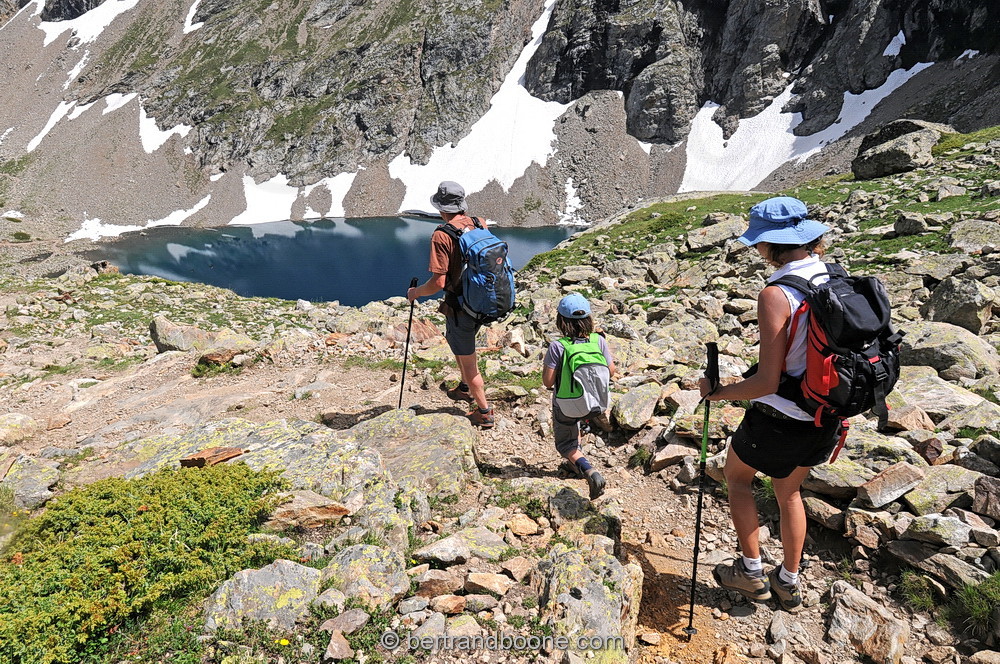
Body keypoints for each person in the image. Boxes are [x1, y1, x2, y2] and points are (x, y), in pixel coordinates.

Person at [698, 196, 841, 613]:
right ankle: (789, 581)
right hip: (827, 412)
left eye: (759, 243)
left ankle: (750, 571)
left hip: (783, 415)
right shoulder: (835, 275)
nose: (757, 250)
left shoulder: (777, 293)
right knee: (789, 491)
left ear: (773, 245)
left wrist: (717, 393)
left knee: (737, 477)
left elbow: (766, 381)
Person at [407, 181, 494, 428]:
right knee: (460, 344)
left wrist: (416, 293)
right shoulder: (479, 223)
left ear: (441, 207)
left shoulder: (441, 235)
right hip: (482, 301)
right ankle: (465, 388)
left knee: (469, 360)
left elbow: (439, 281)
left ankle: (484, 412)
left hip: (461, 307)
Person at [542, 293, 616, 500]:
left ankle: (589, 470)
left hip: (566, 404)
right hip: (595, 402)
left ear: (561, 321)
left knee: (565, 443)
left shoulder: (558, 346)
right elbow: (611, 371)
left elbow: (547, 382)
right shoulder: (598, 340)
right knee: (577, 426)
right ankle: (575, 463)